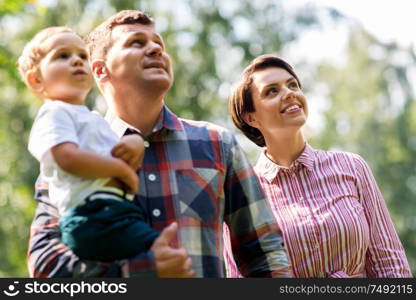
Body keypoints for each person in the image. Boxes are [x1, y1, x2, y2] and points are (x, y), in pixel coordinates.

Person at [27, 11, 291, 278]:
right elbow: (45, 263)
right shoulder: (69, 149)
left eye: (159, 44)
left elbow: (265, 255)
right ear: (99, 69)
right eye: (137, 43)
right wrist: (137, 272)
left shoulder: (218, 144)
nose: (155, 49)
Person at [225, 54, 412, 277]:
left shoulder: (352, 168)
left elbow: (390, 264)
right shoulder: (243, 194)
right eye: (272, 91)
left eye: (292, 84)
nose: (289, 93)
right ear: (251, 118)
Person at [18, 26, 161, 263]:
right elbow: (68, 158)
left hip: (115, 211)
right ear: (36, 79)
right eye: (63, 56)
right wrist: (120, 170)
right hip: (91, 214)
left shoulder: (94, 119)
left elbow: (117, 154)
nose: (76, 61)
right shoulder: (54, 113)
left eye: (82, 56)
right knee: (159, 254)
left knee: (159, 254)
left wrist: (135, 142)